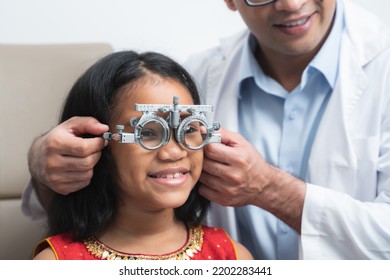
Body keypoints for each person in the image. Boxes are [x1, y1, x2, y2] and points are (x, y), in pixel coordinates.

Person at [23, 0, 390, 259]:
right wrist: (42, 164)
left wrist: (272, 191)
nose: (292, 4)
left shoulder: (229, 256)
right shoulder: (192, 76)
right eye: (152, 132)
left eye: (186, 131)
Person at [32, 50, 252, 260]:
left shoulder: (232, 257)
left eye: (188, 128)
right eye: (147, 132)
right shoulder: (57, 262)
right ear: (92, 144)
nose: (174, 152)